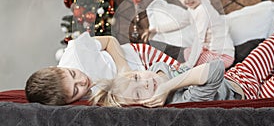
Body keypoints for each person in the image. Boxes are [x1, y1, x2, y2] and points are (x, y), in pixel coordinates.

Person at [90, 32, 274, 107]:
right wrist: (167, 87)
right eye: (139, 92)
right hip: (253, 95)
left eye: (137, 77)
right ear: (145, 104)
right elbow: (216, 68)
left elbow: (111, 43)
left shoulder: (154, 70)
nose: (144, 82)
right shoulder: (182, 101)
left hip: (240, 75)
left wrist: (126, 74)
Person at [25, 32, 181, 105]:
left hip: (139, 57)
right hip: (140, 87)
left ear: (56, 67)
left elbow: (109, 40)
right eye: (75, 91)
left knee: (179, 73)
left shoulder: (76, 51)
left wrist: (123, 68)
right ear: (67, 101)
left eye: (72, 74)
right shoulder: (83, 102)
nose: (82, 81)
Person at [142, 0, 235, 69]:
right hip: (212, 53)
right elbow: (180, 23)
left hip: (222, 56)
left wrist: (189, 65)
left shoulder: (203, 10)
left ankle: (198, 73)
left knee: (191, 57)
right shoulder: (193, 10)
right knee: (187, 51)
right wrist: (155, 29)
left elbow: (199, 40)